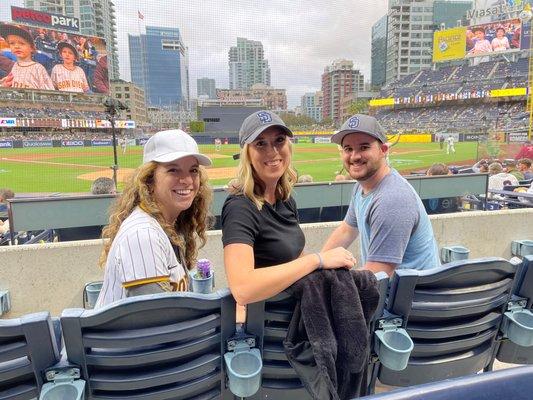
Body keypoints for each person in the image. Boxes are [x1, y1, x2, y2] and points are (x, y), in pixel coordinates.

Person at [221, 110, 354, 317]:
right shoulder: (240, 206)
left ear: (288, 146)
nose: (272, 151)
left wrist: (329, 267)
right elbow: (242, 289)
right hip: (265, 323)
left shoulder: (285, 199)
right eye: (260, 144)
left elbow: (292, 256)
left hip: (294, 310)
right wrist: (317, 260)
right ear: (247, 153)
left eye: (279, 140)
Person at [94, 129, 213, 308]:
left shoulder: (168, 225)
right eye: (173, 170)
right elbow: (154, 322)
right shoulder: (144, 235)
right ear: (149, 180)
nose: (187, 180)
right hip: (131, 334)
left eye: (193, 170)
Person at [321, 114, 440, 276]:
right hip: (391, 290)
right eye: (348, 149)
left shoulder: (392, 199)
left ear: (383, 150)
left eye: (364, 147)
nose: (355, 156)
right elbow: (346, 231)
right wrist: (319, 263)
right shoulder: (361, 187)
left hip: (411, 297)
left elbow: (379, 272)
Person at [0, 24, 54, 90]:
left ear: (31, 48)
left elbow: (50, 93)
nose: (16, 46)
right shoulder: (15, 66)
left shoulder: (38, 68)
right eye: (12, 43)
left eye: (21, 43)